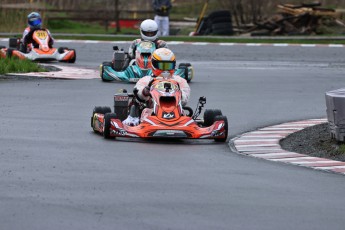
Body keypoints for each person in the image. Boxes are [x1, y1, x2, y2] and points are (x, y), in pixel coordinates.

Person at [123, 48, 190, 126]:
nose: (165, 70)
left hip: (176, 112)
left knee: (183, 114)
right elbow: (138, 94)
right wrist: (145, 92)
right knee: (145, 111)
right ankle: (138, 121)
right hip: (152, 111)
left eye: (168, 66)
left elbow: (185, 100)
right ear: (154, 64)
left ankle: (175, 123)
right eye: (162, 66)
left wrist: (178, 93)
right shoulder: (146, 80)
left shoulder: (180, 81)